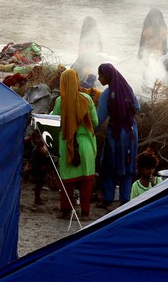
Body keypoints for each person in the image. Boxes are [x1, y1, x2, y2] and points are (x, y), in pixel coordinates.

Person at [51, 69, 98, 221]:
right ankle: (85, 213)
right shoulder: (87, 99)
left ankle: (65, 211)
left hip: (68, 144)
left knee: (67, 180)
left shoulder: (60, 101)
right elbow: (95, 122)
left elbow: (54, 120)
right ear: (77, 81)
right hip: (86, 145)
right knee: (86, 180)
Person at [96, 63, 139, 208]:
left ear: (108, 76)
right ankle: (125, 200)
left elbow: (99, 119)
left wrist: (90, 130)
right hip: (131, 132)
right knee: (128, 165)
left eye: (101, 75)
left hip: (116, 134)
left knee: (109, 165)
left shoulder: (106, 95)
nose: (99, 78)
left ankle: (107, 198)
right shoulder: (128, 89)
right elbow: (137, 107)